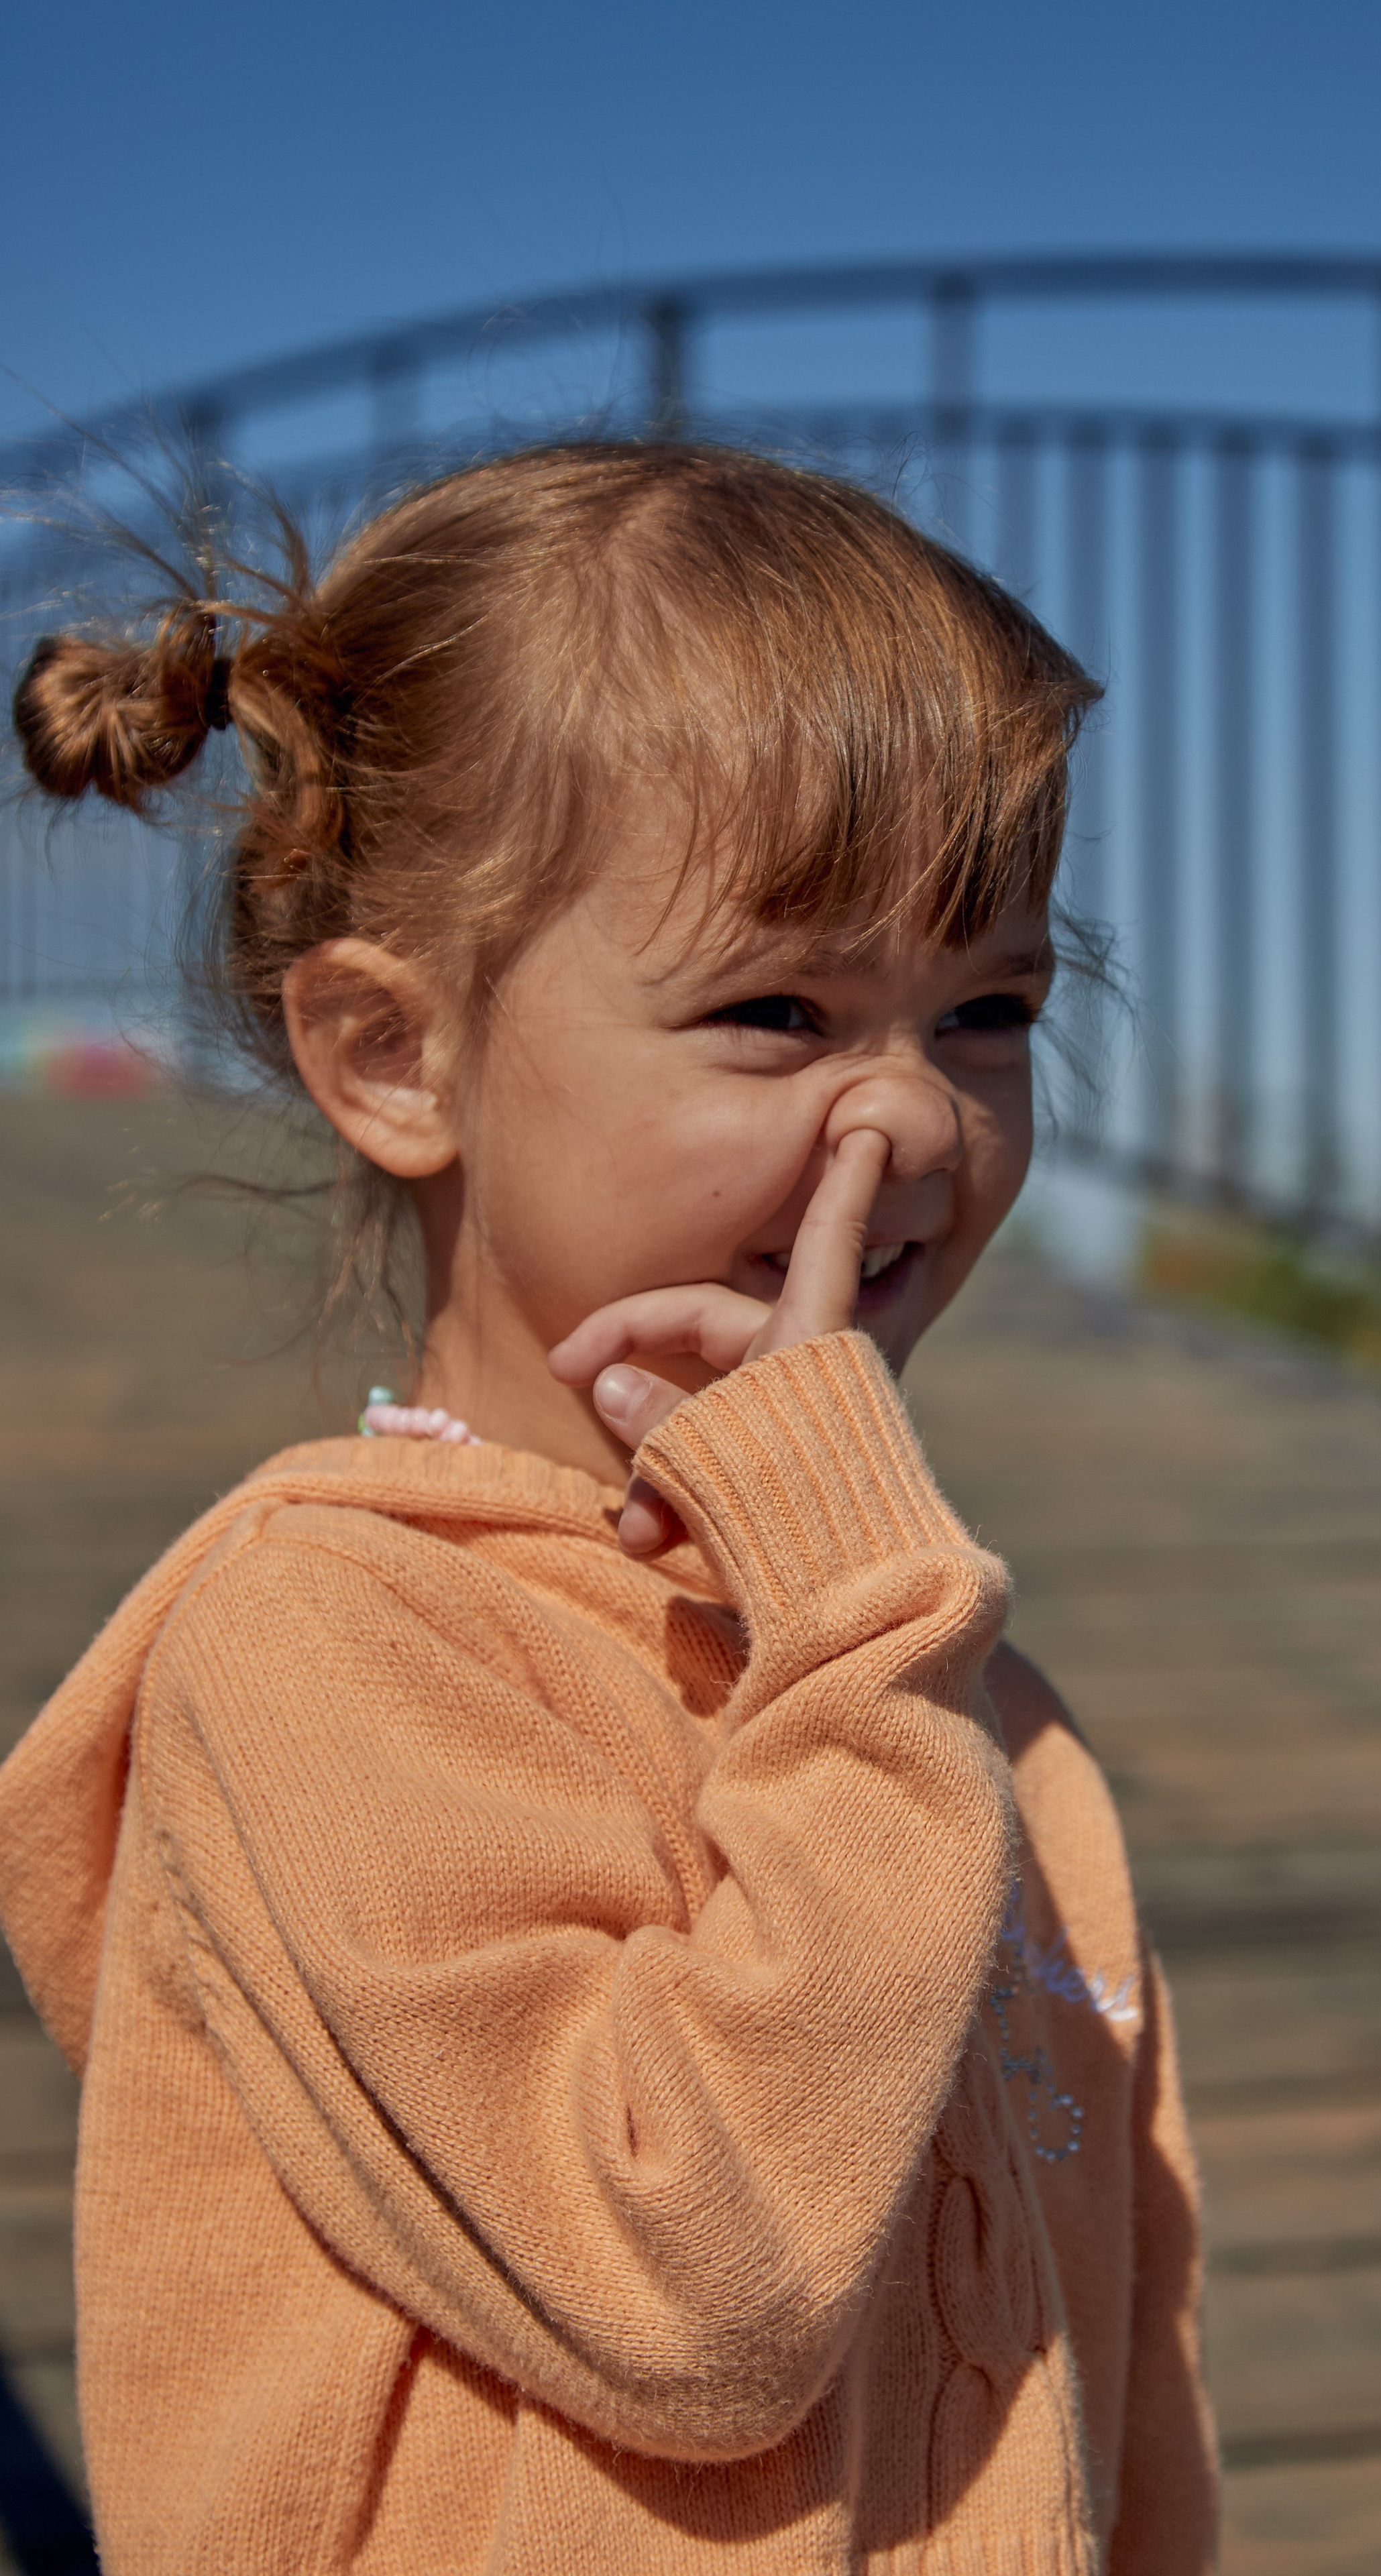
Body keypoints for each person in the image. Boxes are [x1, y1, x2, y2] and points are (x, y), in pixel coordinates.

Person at [0, 443, 1216, 2573]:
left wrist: (864, 1633)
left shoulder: (971, 1709)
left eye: (991, 1008)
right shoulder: (326, 1648)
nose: (916, 1113)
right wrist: (860, 1629)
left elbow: (1130, 2379)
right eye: (778, 1011)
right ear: (398, 1059)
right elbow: (697, 2284)